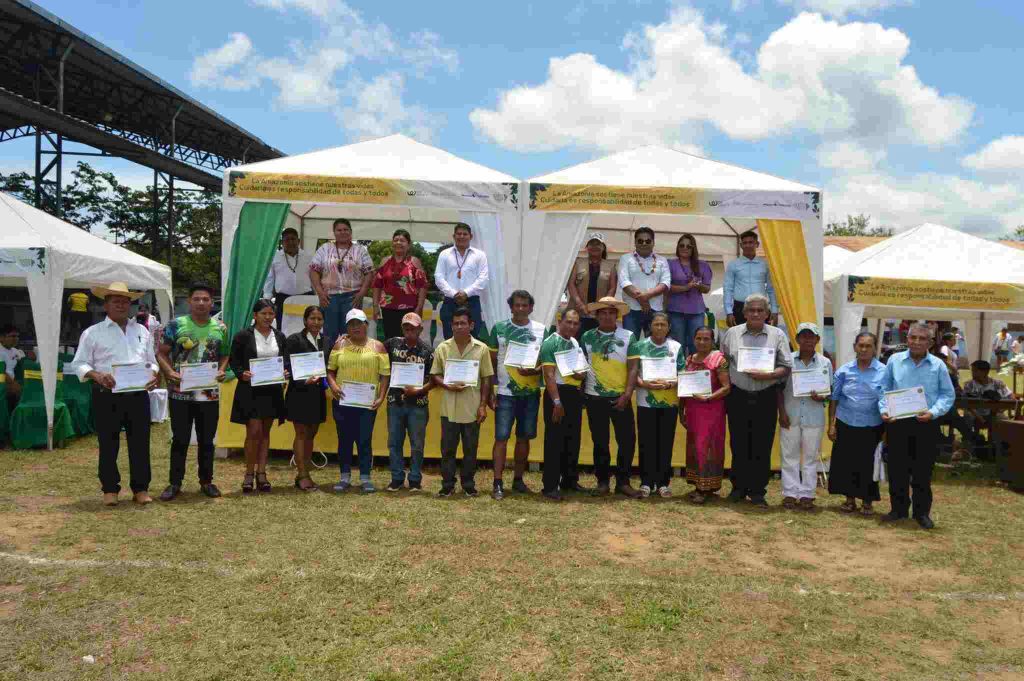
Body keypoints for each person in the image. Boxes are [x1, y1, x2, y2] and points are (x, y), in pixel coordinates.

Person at [71, 282, 159, 506]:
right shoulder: (92, 333)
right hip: (107, 393)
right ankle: (110, 489)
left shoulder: (141, 331)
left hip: (138, 394)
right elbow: (79, 364)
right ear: (106, 305)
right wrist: (98, 376)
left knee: (140, 443)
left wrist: (153, 375)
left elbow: (152, 361)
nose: (121, 305)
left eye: (125, 301)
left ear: (130, 305)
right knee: (108, 443)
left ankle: (140, 489)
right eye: (115, 301)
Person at [156, 282, 229, 501]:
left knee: (207, 439)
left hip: (208, 392)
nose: (201, 303)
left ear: (212, 302)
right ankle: (174, 483)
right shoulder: (175, 325)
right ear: (189, 301)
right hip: (180, 392)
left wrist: (222, 370)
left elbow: (225, 354)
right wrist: (169, 372)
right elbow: (161, 353)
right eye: (196, 299)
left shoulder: (221, 328)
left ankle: (206, 481)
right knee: (180, 439)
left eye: (206, 299)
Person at [879, 323, 955, 529]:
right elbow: (883, 390)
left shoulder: (938, 365)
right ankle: (898, 509)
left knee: (923, 471)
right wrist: (884, 410)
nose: (917, 342)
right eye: (913, 337)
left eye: (922, 339)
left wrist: (933, 412)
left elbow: (948, 395)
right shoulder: (894, 361)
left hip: (926, 424)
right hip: (897, 423)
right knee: (897, 470)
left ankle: (922, 513)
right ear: (907, 338)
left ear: (930, 343)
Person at [719, 293, 792, 506]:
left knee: (762, 443)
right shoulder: (731, 334)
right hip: (738, 395)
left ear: (768, 314)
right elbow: (722, 361)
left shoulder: (777, 335)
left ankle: (758, 491)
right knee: (738, 442)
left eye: (760, 310)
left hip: (765, 395)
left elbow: (786, 366)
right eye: (751, 310)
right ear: (744, 313)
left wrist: (767, 375)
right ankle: (738, 488)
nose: (756, 313)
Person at [487, 289, 548, 500]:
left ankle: (518, 480)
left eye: (525, 305)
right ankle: (497, 482)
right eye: (517, 305)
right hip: (505, 393)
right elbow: (490, 363)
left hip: (530, 393)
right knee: (501, 438)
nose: (521, 308)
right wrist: (491, 391)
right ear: (511, 307)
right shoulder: (499, 328)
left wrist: (536, 370)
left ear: (531, 307)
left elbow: (547, 363)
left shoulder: (542, 330)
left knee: (524, 438)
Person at [430, 306, 494, 497]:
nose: (459, 326)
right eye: (455, 323)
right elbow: (435, 375)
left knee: (470, 450)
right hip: (448, 409)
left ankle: (468, 484)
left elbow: (486, 378)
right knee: (447, 450)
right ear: (451, 326)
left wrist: (483, 405)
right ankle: (447, 485)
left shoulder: (481, 349)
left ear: (471, 325)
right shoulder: (443, 348)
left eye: (463, 323)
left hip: (472, 408)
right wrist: (447, 385)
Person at [580, 296, 640, 498]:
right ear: (597, 316)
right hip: (594, 397)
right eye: (603, 313)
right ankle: (602, 482)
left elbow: (633, 368)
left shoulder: (630, 336)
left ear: (618, 315)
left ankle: (623, 482)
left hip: (620, 397)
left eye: (611, 313)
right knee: (600, 442)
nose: (607, 316)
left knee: (627, 441)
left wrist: (627, 394)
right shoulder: (587, 337)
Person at [326, 309, 390, 493]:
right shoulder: (339, 346)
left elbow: (385, 374)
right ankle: (344, 476)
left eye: (359, 323)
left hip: (367, 403)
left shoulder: (378, 347)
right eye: (351, 324)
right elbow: (330, 371)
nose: (355, 327)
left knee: (364, 440)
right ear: (347, 327)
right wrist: (333, 386)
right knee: (344, 440)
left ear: (366, 325)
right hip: (342, 401)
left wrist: (381, 396)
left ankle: (365, 478)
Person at [229, 299, 289, 494]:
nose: (268, 317)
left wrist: (285, 372)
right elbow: (234, 360)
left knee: (265, 433)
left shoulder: (279, 336)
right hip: (250, 391)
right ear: (255, 315)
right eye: (264, 313)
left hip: (272, 391)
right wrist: (241, 373)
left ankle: (261, 474)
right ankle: (248, 473)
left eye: (271, 314)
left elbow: (285, 360)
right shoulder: (242, 336)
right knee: (253, 432)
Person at [828, 332, 885, 515]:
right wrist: (831, 424)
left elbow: (888, 400)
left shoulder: (884, 372)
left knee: (868, 464)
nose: (864, 349)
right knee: (846, 463)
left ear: (875, 348)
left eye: (868, 346)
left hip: (872, 425)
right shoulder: (844, 370)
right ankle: (849, 500)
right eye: (860, 345)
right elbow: (834, 398)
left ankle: (867, 501)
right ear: (855, 347)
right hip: (846, 423)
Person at [778, 323, 832, 510]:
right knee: (789, 456)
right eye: (804, 336)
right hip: (790, 415)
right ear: (797, 339)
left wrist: (822, 396)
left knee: (810, 457)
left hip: (813, 417)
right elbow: (779, 388)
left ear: (817, 340)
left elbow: (829, 391)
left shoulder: (825, 362)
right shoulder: (787, 360)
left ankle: (807, 494)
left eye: (811, 336)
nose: (808, 340)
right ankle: (790, 493)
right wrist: (781, 413)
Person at [539, 309, 589, 501]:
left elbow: (582, 370)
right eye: (569, 322)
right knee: (554, 441)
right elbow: (549, 375)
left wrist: (580, 375)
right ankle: (550, 485)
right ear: (560, 321)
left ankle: (569, 480)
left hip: (573, 394)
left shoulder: (575, 342)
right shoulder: (550, 342)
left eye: (576, 323)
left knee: (572, 439)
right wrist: (557, 402)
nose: (572, 326)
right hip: (557, 394)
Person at [631, 312, 681, 498]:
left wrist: (672, 382)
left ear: (669, 327)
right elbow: (632, 372)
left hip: (668, 402)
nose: (660, 328)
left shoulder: (676, 347)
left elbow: (682, 371)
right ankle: (645, 482)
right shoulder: (639, 346)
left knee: (665, 443)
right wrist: (643, 384)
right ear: (650, 326)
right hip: (646, 402)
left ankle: (662, 483)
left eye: (663, 324)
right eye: (656, 324)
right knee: (646, 442)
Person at [679, 327, 731, 504]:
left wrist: (708, 398)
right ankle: (699, 485)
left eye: (706, 339)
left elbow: (726, 387)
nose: (702, 342)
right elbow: (684, 388)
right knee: (695, 446)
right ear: (693, 340)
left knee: (708, 447)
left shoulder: (719, 360)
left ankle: (706, 488)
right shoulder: (689, 360)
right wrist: (681, 411)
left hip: (712, 410)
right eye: (699, 338)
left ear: (712, 340)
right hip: (693, 410)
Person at [383, 312, 433, 492]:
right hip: (394, 402)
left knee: (417, 444)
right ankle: (396, 478)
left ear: (420, 329)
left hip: (418, 404)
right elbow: (375, 354)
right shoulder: (391, 344)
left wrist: (419, 390)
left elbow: (434, 379)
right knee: (394, 442)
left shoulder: (428, 350)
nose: (409, 330)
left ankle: (414, 479)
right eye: (406, 327)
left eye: (413, 327)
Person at [309, 218, 374, 349]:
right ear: (334, 232)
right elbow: (313, 270)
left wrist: (362, 293)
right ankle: (329, 363)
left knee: (351, 332)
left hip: (352, 297)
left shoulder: (360, 250)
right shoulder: (325, 248)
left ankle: (349, 363)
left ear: (351, 232)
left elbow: (370, 273)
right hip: (329, 297)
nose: (342, 232)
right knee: (329, 333)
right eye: (339, 230)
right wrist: (320, 292)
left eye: (346, 229)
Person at [284, 306, 328, 491]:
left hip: (317, 395)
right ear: (305, 320)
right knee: (301, 433)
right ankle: (302, 474)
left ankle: (306, 470)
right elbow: (286, 364)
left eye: (319, 319)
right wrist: (303, 380)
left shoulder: (326, 341)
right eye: (312, 318)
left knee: (311, 433)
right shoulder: (294, 339)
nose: (316, 322)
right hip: (299, 393)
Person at [371, 229, 428, 341]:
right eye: (396, 240)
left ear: (408, 244)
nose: (398, 243)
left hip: (410, 308)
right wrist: (375, 306)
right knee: (391, 340)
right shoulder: (385, 261)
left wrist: (419, 307)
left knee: (410, 339)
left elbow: (423, 286)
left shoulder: (414, 262)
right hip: (388, 308)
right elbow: (377, 285)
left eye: (402, 240)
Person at [435, 223, 489, 340]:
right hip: (450, 302)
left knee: (472, 338)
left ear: (471, 236)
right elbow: (438, 278)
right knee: (450, 339)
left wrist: (466, 293)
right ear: (454, 236)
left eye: (465, 234)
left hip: (472, 302)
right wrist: (454, 293)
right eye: (459, 234)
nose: (462, 236)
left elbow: (483, 279)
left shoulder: (480, 255)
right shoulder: (444, 254)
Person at [617, 226, 670, 339]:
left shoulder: (662, 260)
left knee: (654, 344)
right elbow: (624, 282)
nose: (644, 243)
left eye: (648, 241)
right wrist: (643, 300)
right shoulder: (625, 258)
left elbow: (665, 283)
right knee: (630, 344)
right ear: (635, 243)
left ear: (653, 242)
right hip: (631, 310)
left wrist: (645, 297)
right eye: (640, 241)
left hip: (655, 309)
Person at [665, 234, 712, 355]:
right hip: (675, 311)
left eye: (688, 246)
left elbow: (707, 288)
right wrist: (686, 287)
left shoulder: (703, 265)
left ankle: (695, 371)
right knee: (677, 344)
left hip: (696, 311)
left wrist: (698, 286)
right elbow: (666, 287)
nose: (685, 248)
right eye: (681, 245)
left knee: (697, 344)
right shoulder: (670, 264)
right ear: (677, 247)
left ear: (693, 248)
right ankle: (678, 371)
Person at [566, 233, 617, 338]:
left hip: (599, 314)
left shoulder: (611, 266)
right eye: (591, 244)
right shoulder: (578, 263)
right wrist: (580, 304)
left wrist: (600, 306)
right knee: (575, 342)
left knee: (596, 344)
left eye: (598, 244)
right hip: (577, 311)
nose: (595, 247)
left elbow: (612, 288)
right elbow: (571, 284)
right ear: (587, 248)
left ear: (603, 248)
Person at [723, 230, 778, 327]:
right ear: (741, 245)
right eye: (745, 243)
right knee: (739, 339)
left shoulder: (765, 264)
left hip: (761, 307)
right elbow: (728, 289)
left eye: (751, 242)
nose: (748, 245)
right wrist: (728, 312)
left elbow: (771, 289)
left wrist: (774, 310)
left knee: (763, 338)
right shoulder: (733, 265)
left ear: (757, 244)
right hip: (740, 307)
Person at [263, 227, 314, 330]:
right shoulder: (274, 257)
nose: (290, 242)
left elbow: (314, 277)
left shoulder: (308, 257)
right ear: (282, 242)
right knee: (283, 329)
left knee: (307, 328)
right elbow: (269, 279)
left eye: (293, 239)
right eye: (287, 240)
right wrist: (266, 300)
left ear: (298, 241)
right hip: (283, 300)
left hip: (305, 298)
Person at [962, 359, 1015, 454]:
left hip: (995, 413)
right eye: (972, 371)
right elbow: (967, 404)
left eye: (975, 371)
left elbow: (1011, 397)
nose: (972, 373)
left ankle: (1001, 449)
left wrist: (1000, 410)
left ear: (985, 372)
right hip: (974, 413)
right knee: (967, 417)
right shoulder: (969, 385)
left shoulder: (998, 384)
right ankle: (969, 448)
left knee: (1005, 422)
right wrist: (979, 417)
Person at [0, 325, 26, 410]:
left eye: (17, 336)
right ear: (2, 338)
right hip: (3, 383)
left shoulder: (16, 351)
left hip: (14, 383)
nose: (16, 338)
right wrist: (13, 384)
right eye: (13, 336)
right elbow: (2, 372)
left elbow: (24, 366)